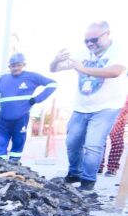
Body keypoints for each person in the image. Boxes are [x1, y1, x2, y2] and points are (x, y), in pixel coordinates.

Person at [52, 21, 127, 190]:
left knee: (93, 144)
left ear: (107, 34)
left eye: (94, 39)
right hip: (81, 106)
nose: (90, 44)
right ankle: (74, 174)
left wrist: (83, 69)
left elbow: (115, 72)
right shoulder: (82, 52)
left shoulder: (120, 49)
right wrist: (56, 60)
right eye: (86, 41)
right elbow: (54, 69)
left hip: (107, 106)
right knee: (72, 142)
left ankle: (87, 181)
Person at [0, 53, 57, 165]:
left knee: (18, 139)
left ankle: (14, 163)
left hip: (21, 117)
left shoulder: (31, 77)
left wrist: (37, 99)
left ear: (23, 65)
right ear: (9, 67)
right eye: (12, 66)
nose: (15, 68)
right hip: (3, 117)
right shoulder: (3, 79)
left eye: (18, 65)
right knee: (0, 139)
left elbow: (52, 84)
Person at [100, 95, 128, 176]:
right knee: (99, 137)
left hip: (121, 102)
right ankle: (98, 165)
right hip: (105, 101)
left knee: (116, 135)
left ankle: (112, 168)